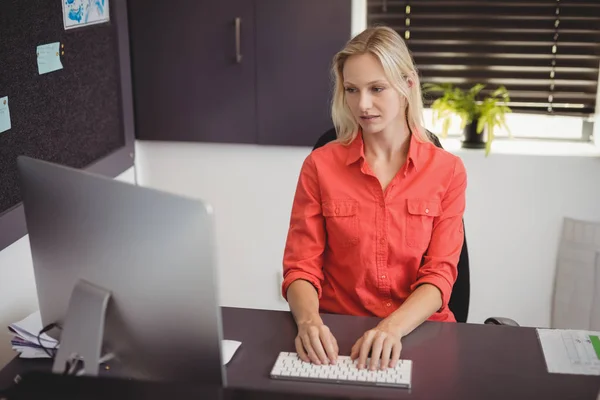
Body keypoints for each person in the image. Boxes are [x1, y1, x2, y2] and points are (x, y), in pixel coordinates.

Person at [281, 26, 467, 372]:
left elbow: (440, 275)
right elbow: (300, 266)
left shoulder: (448, 171)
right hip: (338, 334)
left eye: (377, 89)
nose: (362, 105)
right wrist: (308, 322)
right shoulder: (320, 166)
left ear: (408, 85)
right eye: (352, 90)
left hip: (420, 333)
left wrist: (390, 328)